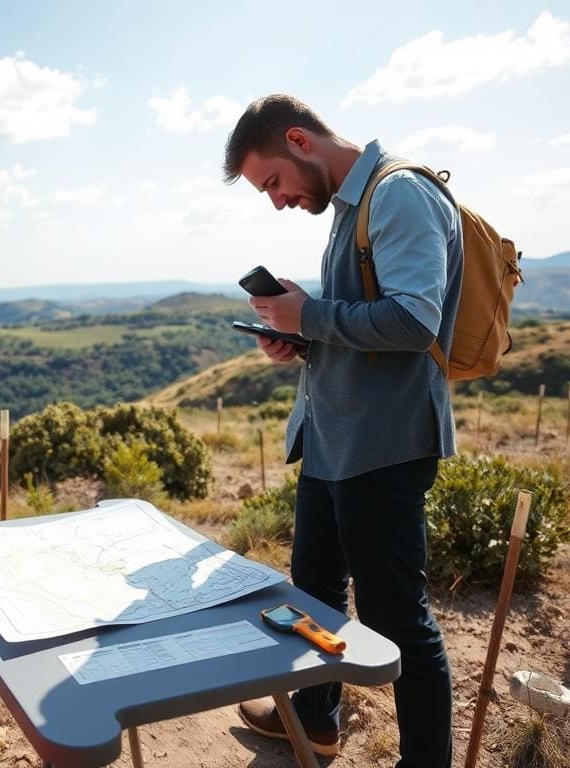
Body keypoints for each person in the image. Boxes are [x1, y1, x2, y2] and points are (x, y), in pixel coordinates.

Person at [222, 94, 461, 768]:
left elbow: (415, 321)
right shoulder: (353, 209)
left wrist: (315, 318)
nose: (276, 200)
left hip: (384, 448)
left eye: (272, 181)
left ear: (299, 141)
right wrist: (300, 337)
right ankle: (314, 719)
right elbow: (356, 323)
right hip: (332, 440)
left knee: (398, 623)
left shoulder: (401, 194)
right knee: (315, 595)